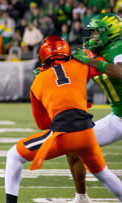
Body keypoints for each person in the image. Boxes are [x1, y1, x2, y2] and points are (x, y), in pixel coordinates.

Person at [4, 35, 122, 203]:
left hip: (63, 135)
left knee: (14, 156)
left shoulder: (38, 81)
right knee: (104, 174)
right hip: (87, 133)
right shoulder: (80, 65)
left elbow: (43, 124)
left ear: (43, 56)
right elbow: (103, 67)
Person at [66, 12, 122, 203]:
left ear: (109, 32)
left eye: (96, 33)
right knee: (74, 145)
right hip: (118, 118)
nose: (92, 37)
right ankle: (81, 197)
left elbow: (120, 72)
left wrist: (88, 60)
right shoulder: (99, 52)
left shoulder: (118, 46)